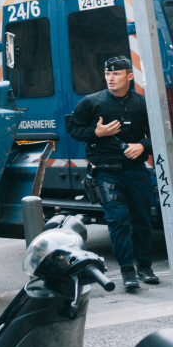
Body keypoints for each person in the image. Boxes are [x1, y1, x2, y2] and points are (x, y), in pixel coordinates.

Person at [68, 56, 158, 290]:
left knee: (142, 220)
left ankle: (145, 268)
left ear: (130, 76)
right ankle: (127, 271)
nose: (110, 78)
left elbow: (159, 131)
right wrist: (95, 133)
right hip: (106, 172)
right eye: (108, 74)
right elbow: (73, 129)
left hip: (136, 170)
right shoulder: (91, 102)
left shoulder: (142, 103)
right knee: (118, 221)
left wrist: (142, 147)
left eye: (116, 74)